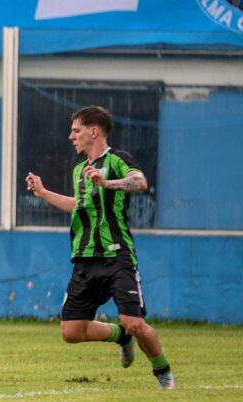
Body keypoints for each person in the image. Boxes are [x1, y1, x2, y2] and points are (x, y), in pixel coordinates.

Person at [25, 105, 175, 389]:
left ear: (93, 131)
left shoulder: (118, 159)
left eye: (76, 130)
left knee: (134, 321)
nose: (71, 136)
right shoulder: (80, 170)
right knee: (71, 332)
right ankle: (121, 336)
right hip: (85, 259)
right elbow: (78, 206)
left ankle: (163, 371)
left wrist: (107, 182)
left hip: (117, 255)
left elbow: (139, 182)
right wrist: (43, 193)